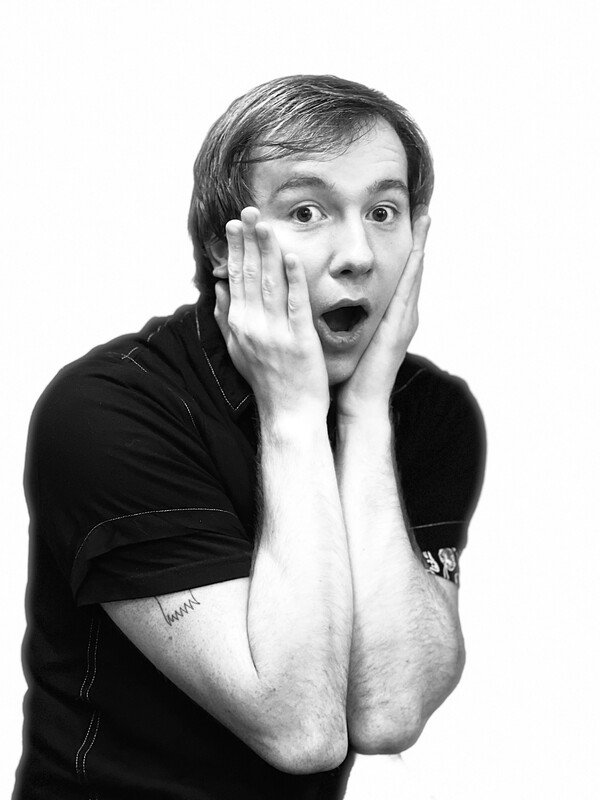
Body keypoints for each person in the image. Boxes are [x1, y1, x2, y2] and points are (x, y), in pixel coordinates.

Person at [13, 75, 486, 800]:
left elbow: (390, 712)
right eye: (307, 211)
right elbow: (301, 731)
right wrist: (296, 418)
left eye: (385, 212)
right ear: (220, 244)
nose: (358, 253)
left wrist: (363, 420)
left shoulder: (428, 414)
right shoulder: (109, 414)